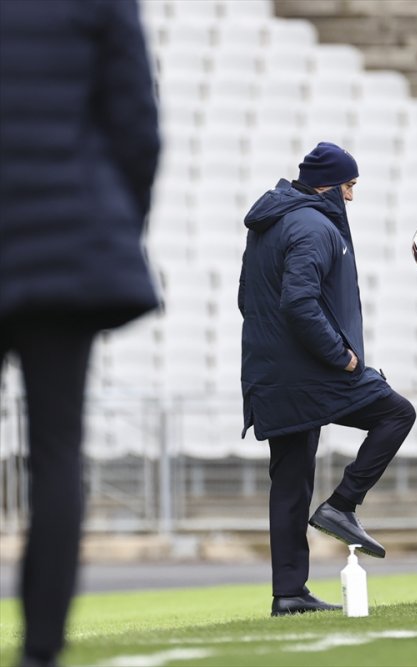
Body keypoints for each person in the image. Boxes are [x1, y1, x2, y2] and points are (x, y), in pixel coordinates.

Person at [0, 1, 161, 664]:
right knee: (57, 451)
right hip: (63, 248)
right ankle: (41, 648)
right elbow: (138, 128)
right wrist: (113, 225)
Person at [239, 142, 416, 617]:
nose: (352, 197)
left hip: (272, 374)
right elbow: (300, 302)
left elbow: (247, 299)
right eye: (350, 186)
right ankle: (343, 504)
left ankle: (289, 592)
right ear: (331, 184)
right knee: (397, 413)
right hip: (312, 373)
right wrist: (342, 357)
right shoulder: (314, 225)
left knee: (291, 483)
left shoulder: (269, 225)